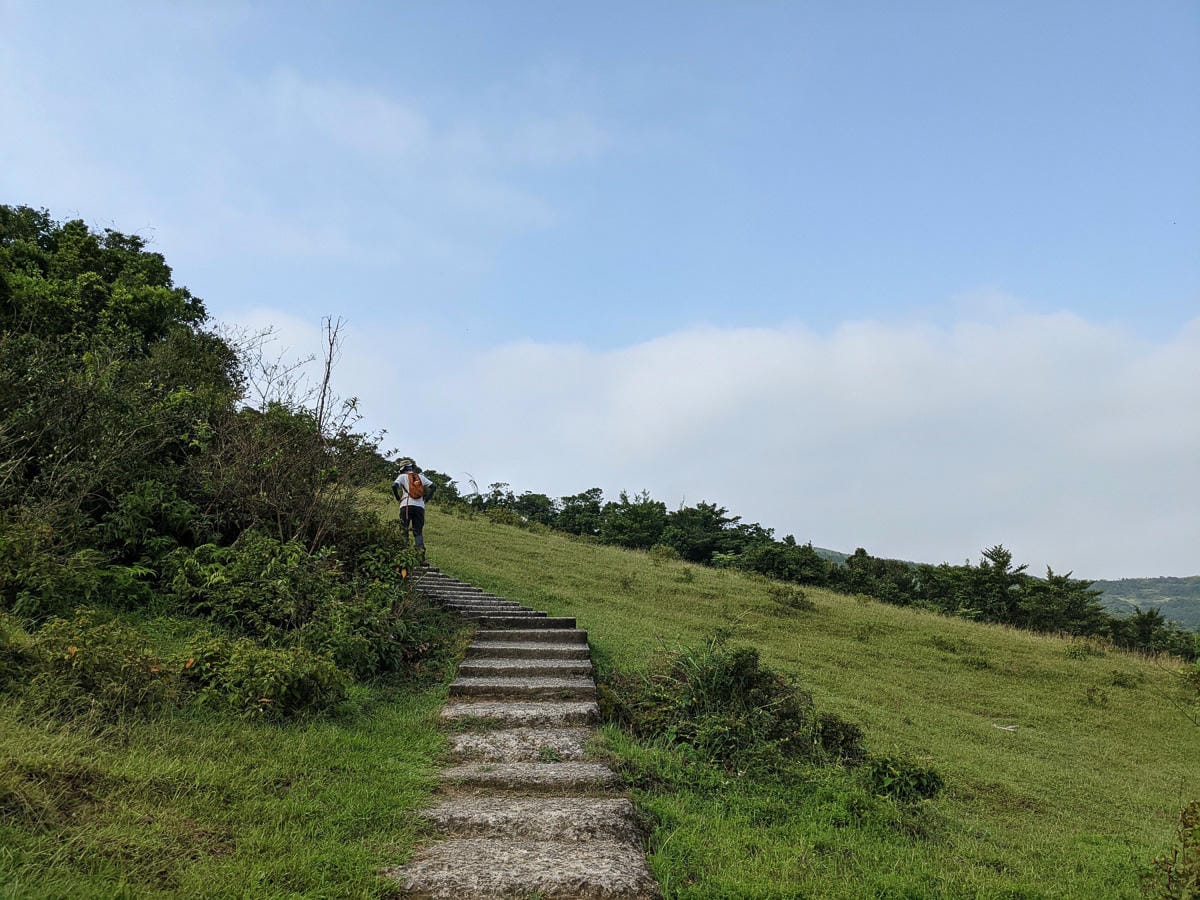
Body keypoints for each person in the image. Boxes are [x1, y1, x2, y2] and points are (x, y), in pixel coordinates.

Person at [392, 458, 435, 560]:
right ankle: (420, 556)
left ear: (402, 469)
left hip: (406, 505)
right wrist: (426, 499)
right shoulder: (421, 477)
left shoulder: (402, 476)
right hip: (420, 507)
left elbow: (394, 485)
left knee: (404, 529)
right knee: (418, 531)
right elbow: (433, 486)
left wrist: (398, 498)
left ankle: (405, 553)